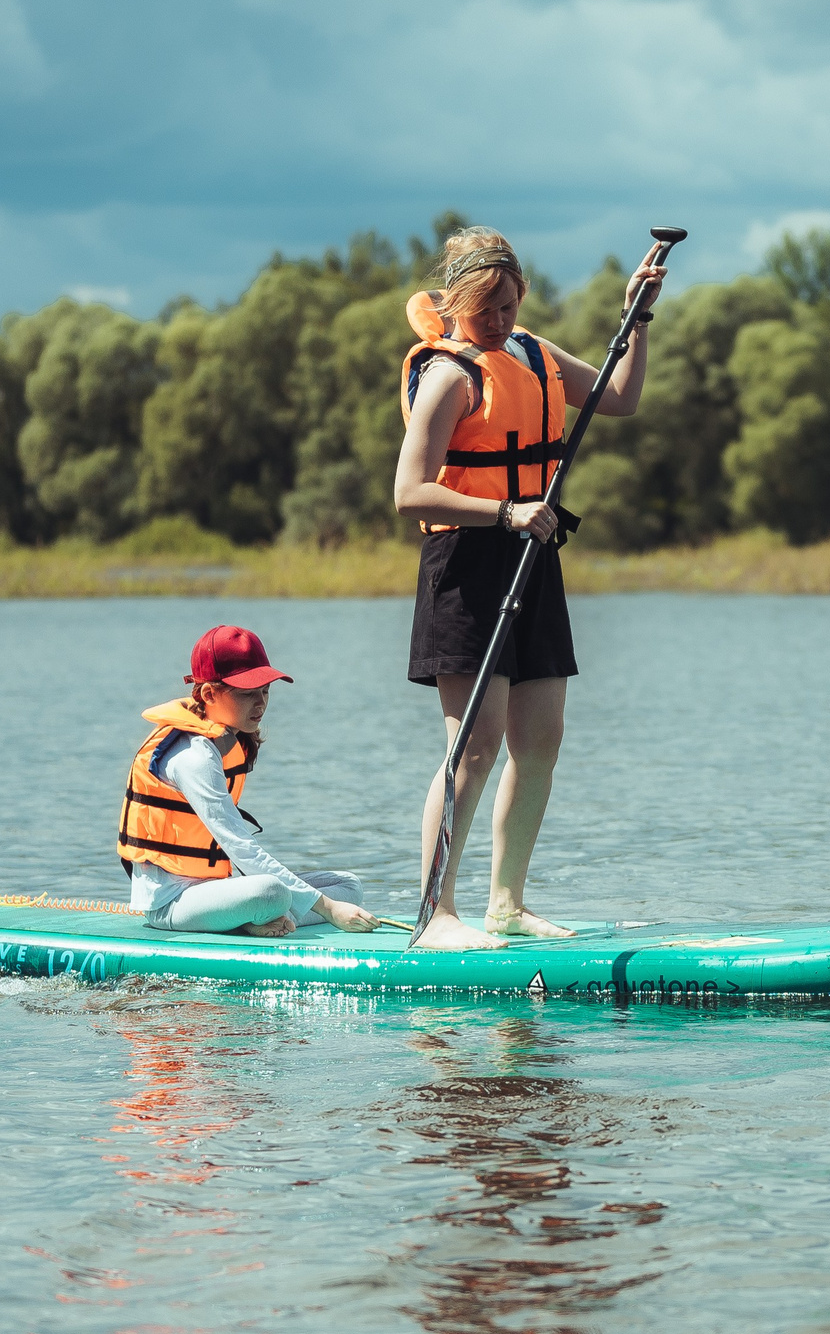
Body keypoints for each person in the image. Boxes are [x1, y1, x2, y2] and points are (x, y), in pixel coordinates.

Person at [392, 227, 666, 949]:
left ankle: (505, 906)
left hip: (534, 555)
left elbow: (621, 399)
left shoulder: (535, 354)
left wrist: (636, 319)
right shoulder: (450, 375)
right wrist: (506, 510)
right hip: (466, 566)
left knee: (539, 740)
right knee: (474, 746)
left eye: (511, 306)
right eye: (487, 311)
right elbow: (409, 492)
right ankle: (436, 914)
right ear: (453, 304)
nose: (502, 322)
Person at [118, 624, 380, 937]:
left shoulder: (226, 737)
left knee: (347, 886)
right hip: (172, 901)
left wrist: (332, 902)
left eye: (265, 690)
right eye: (247, 694)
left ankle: (259, 918)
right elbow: (240, 847)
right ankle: (253, 917)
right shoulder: (192, 756)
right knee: (272, 892)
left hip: (220, 890)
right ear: (208, 694)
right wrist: (327, 908)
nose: (260, 704)